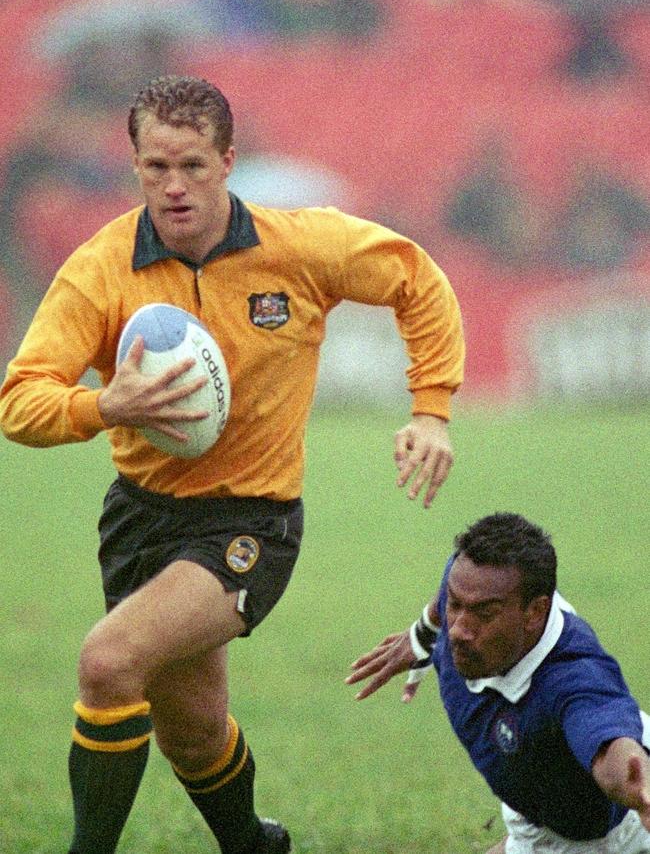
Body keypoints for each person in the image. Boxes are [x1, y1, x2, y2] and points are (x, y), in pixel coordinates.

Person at [0, 74, 464, 854]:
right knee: (191, 730)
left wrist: (432, 410)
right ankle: (252, 843)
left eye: (192, 166)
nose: (174, 187)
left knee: (108, 662)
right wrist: (103, 407)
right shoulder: (101, 268)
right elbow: (19, 402)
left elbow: (417, 279)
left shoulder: (302, 246)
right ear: (136, 166)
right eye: (155, 169)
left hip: (251, 523)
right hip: (141, 515)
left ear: (228, 162)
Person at [347, 512, 650, 853]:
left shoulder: (573, 676)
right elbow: (452, 585)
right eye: (455, 604)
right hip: (535, 818)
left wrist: (636, 787)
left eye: (484, 613)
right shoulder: (471, 584)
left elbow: (608, 744)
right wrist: (422, 633)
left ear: (535, 612)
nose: (459, 629)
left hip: (609, 836)